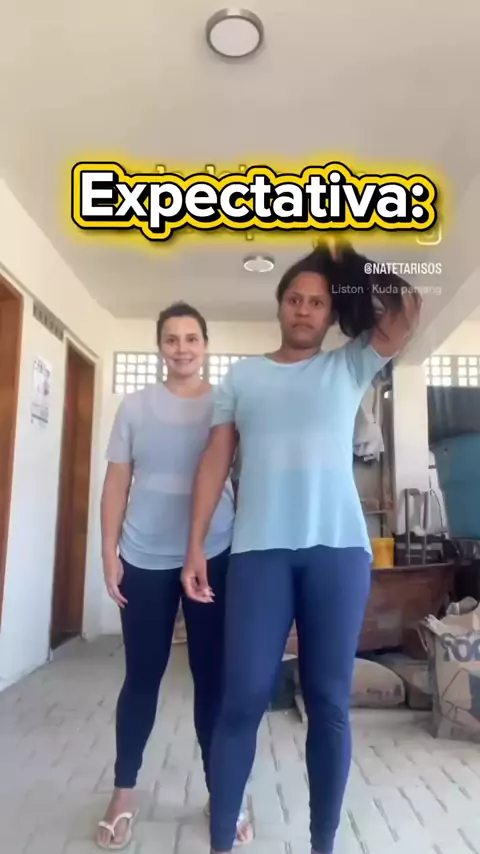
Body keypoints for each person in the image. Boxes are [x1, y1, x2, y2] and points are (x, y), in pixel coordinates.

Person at [181, 242, 422, 854]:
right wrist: (195, 546)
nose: (305, 309)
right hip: (258, 554)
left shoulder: (349, 365)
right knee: (243, 699)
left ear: (330, 311)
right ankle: (221, 841)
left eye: (318, 301)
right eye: (295, 298)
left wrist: (344, 260)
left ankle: (322, 844)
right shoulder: (244, 376)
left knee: (328, 702)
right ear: (280, 305)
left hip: (337, 553)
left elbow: (406, 308)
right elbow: (215, 461)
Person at [96, 301, 252, 850]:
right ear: (159, 346)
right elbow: (117, 482)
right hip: (143, 557)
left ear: (205, 345)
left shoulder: (225, 404)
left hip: (214, 554)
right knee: (142, 676)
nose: (181, 348)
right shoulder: (134, 406)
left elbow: (247, 475)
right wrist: (108, 551)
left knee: (212, 680)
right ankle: (123, 791)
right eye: (171, 339)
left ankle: (222, 794)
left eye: (191, 338)